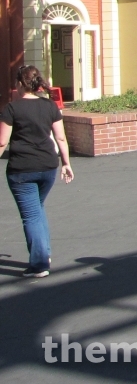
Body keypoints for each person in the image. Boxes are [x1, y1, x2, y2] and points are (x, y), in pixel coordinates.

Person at [0, 66, 74, 279]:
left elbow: (2, 141)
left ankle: (39, 263)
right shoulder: (50, 106)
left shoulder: (12, 109)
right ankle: (45, 253)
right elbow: (60, 138)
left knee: (31, 215)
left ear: (20, 84)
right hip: (48, 167)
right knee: (37, 209)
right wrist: (66, 163)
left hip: (22, 170)